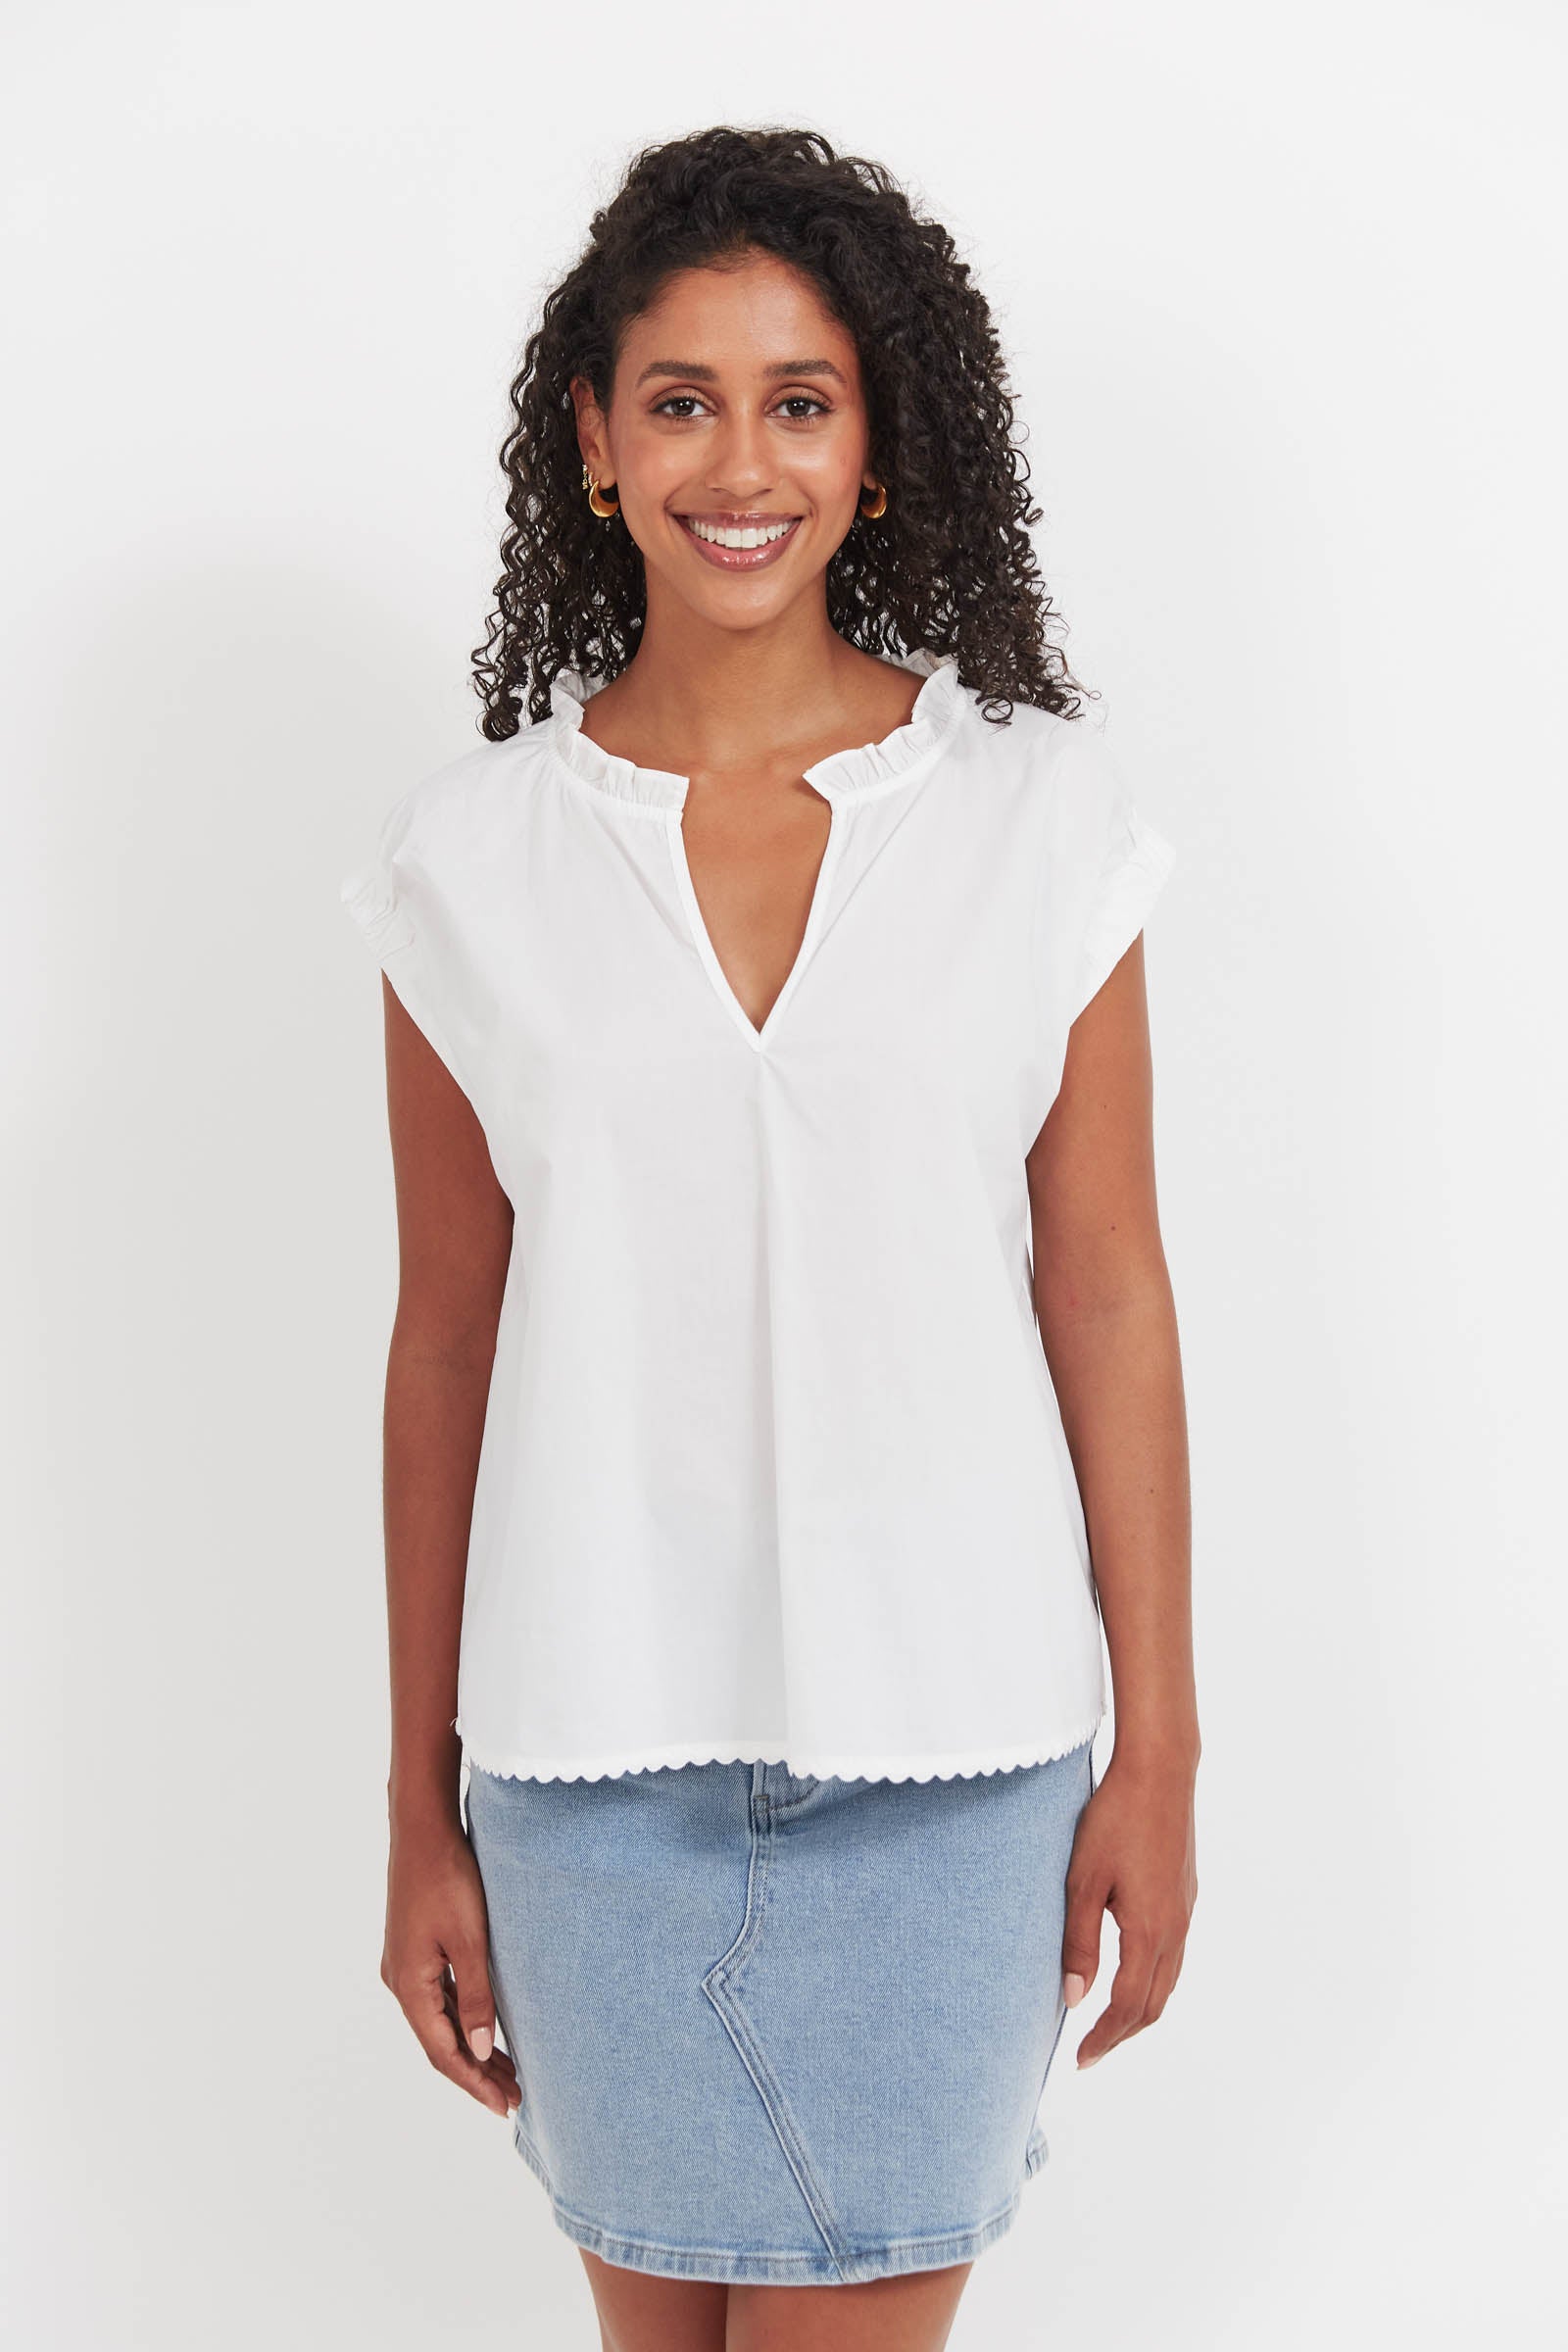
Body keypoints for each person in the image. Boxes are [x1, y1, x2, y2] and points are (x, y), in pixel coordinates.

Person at [340, 123, 1200, 2352]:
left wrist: (1163, 1752)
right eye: (683, 401)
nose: (742, 464)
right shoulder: (467, 861)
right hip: (587, 1771)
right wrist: (417, 1808)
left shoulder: (1037, 819)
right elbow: (447, 1346)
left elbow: (1106, 1289)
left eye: (799, 400)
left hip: (958, 1766)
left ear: (878, 442)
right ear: (595, 442)